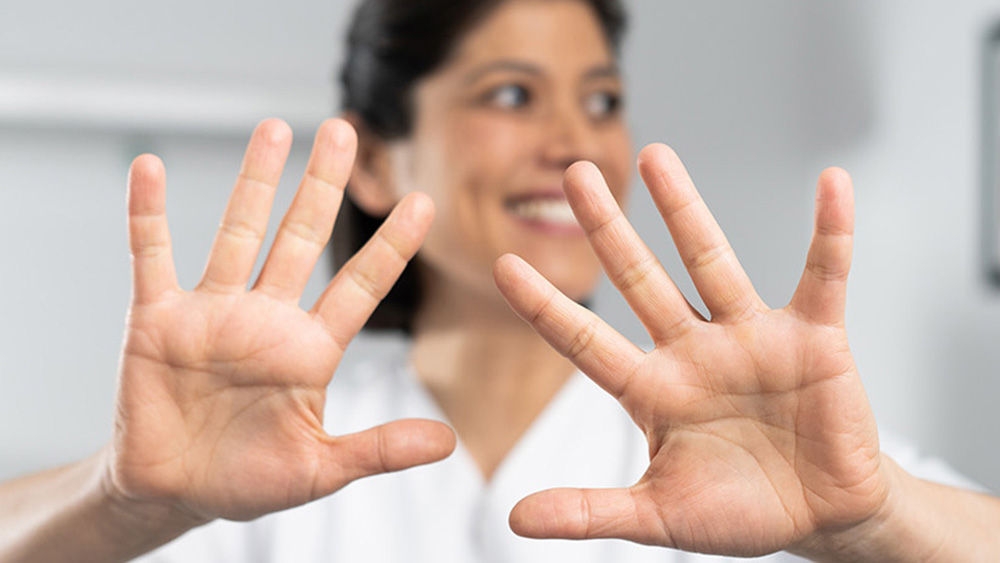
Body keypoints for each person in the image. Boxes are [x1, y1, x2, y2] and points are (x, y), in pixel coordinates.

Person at [2, 0, 999, 561]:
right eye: (511, 94)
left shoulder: (760, 435)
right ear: (384, 162)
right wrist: (123, 498)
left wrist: (871, 514)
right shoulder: (251, 448)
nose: (574, 141)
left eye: (601, 98)